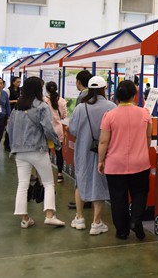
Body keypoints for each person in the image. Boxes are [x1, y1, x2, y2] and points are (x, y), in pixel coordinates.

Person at [6, 76, 65, 228]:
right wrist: (57, 144)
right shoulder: (41, 106)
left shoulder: (17, 107)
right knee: (48, 183)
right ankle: (50, 215)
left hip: (20, 151)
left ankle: (25, 219)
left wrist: (13, 146)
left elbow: (9, 128)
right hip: (38, 149)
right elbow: (48, 128)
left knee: (23, 184)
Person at [98, 80, 152, 240]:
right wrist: (142, 151)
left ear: (117, 96)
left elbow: (103, 141)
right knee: (140, 193)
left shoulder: (109, 116)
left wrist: (101, 161)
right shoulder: (145, 113)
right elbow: (148, 137)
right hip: (140, 163)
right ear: (134, 95)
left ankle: (122, 231)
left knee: (118, 198)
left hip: (115, 164)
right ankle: (135, 220)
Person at [68, 75, 115, 235]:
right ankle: (96, 223)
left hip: (83, 150)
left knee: (80, 181)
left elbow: (73, 130)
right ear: (104, 89)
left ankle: (79, 218)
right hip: (105, 151)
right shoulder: (111, 106)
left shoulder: (81, 107)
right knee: (99, 183)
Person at [68, 69, 94, 210]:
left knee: (82, 170)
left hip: (83, 138)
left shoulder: (82, 97)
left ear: (78, 82)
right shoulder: (96, 96)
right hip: (95, 139)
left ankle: (82, 200)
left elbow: (76, 122)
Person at [44, 81, 67, 182]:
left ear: (47, 89)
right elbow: (64, 116)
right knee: (59, 153)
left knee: (46, 153)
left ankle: (46, 174)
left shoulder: (44, 100)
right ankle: (59, 174)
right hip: (58, 130)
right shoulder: (62, 101)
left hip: (46, 130)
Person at [4, 76, 21, 152]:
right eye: (17, 82)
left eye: (20, 82)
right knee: (9, 128)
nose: (19, 83)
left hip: (18, 110)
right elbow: (5, 101)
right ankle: (7, 144)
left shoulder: (20, 90)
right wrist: (14, 101)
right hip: (10, 110)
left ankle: (14, 144)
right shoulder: (8, 90)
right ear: (13, 82)